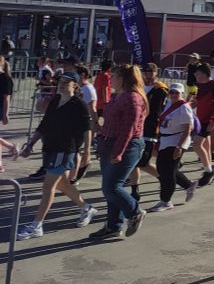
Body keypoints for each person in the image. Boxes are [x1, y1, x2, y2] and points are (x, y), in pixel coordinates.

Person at [15, 74, 98, 240]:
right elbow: (44, 125)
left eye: (66, 82)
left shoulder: (79, 104)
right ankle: (86, 208)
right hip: (50, 148)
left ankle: (36, 225)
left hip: (65, 150)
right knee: (62, 184)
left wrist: (87, 152)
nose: (62, 85)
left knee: (48, 187)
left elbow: (87, 129)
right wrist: (30, 144)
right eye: (60, 81)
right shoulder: (55, 101)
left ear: (75, 85)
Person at [90, 64, 148, 240]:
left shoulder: (133, 99)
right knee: (111, 188)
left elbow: (128, 130)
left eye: (114, 76)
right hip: (109, 142)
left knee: (111, 187)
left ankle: (134, 211)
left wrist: (118, 153)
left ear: (123, 78)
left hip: (127, 145)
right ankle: (114, 225)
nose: (110, 78)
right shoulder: (116, 96)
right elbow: (110, 122)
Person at [148, 82, 197, 211]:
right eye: (172, 92)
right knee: (163, 168)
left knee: (167, 173)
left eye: (177, 93)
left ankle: (165, 201)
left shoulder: (184, 107)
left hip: (176, 140)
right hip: (165, 139)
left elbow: (188, 128)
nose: (174, 95)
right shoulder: (169, 104)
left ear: (182, 93)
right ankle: (188, 185)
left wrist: (179, 147)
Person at [129, 63, 169, 204]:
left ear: (156, 73)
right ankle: (135, 190)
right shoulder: (139, 87)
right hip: (136, 127)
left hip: (150, 128)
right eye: (145, 71)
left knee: (142, 161)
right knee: (135, 161)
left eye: (151, 72)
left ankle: (164, 179)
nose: (148, 74)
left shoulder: (160, 90)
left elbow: (155, 111)